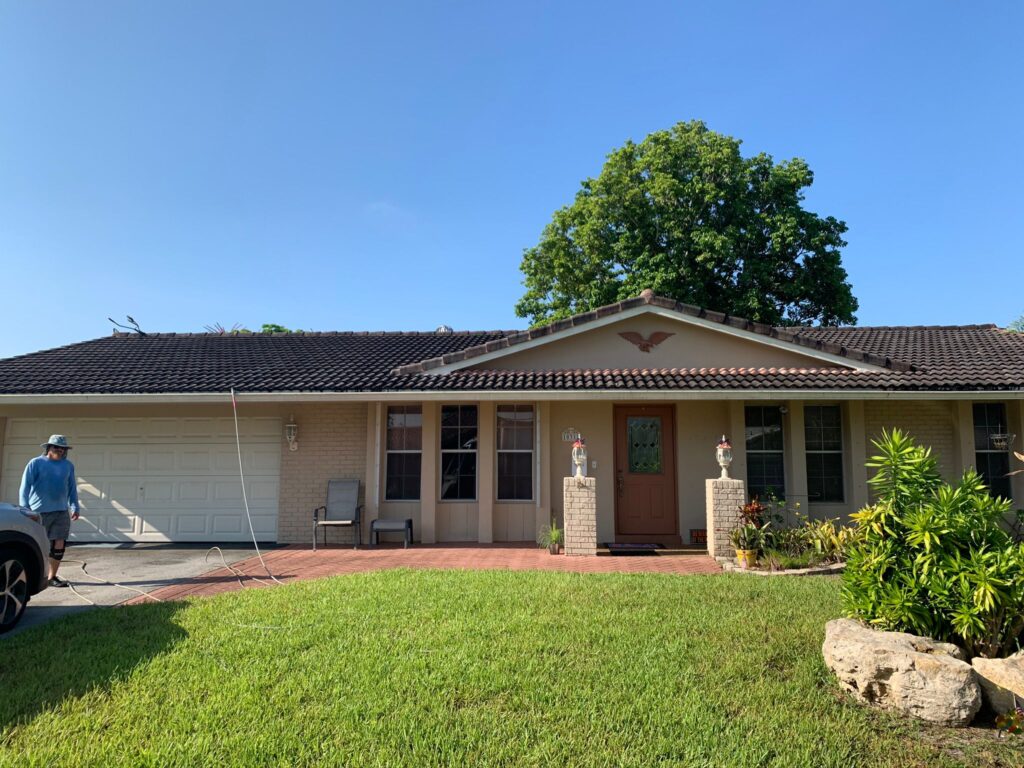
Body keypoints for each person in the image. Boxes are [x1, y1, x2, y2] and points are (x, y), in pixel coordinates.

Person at [19, 434, 79, 587]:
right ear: (48, 448)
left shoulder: (68, 465)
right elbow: (24, 487)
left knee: (59, 543)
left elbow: (72, 488)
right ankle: (34, 576)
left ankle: (52, 577)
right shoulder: (36, 463)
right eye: (56, 447)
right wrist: (25, 508)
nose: (59, 450)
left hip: (61, 511)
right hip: (39, 511)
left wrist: (74, 506)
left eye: (63, 448)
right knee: (39, 544)